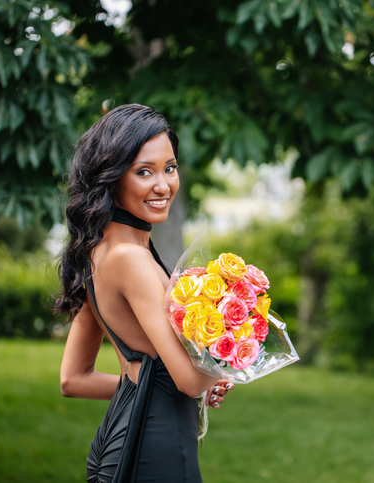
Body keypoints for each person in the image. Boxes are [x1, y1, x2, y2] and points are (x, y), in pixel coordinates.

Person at [56, 104, 230, 482]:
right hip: (155, 449)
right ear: (112, 178)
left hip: (121, 439)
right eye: (144, 172)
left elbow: (74, 378)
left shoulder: (98, 253)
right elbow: (187, 381)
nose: (163, 185)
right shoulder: (131, 259)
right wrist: (225, 345)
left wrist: (185, 380)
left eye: (170, 167)